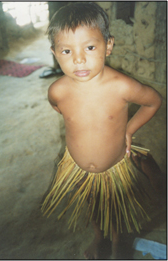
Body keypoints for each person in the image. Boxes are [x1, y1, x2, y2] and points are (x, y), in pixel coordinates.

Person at [41, 2, 163, 259]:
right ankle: (100, 239)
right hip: (76, 166)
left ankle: (119, 248)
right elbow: (60, 109)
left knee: (117, 213)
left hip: (114, 168)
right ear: (54, 52)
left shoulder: (122, 86)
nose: (79, 59)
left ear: (108, 45)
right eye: (66, 51)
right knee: (93, 205)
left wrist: (129, 129)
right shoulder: (57, 91)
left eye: (90, 47)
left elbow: (153, 101)